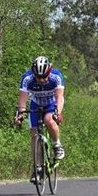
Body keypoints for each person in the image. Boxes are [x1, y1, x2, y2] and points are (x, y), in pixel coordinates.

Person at [14, 56, 65, 184]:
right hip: (35, 104)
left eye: (44, 77)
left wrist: (58, 113)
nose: (42, 80)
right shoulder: (27, 78)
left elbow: (59, 98)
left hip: (51, 103)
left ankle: (57, 145)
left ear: (49, 71)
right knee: (34, 134)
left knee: (49, 119)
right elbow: (22, 101)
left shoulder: (56, 76)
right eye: (39, 77)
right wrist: (19, 115)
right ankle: (37, 169)